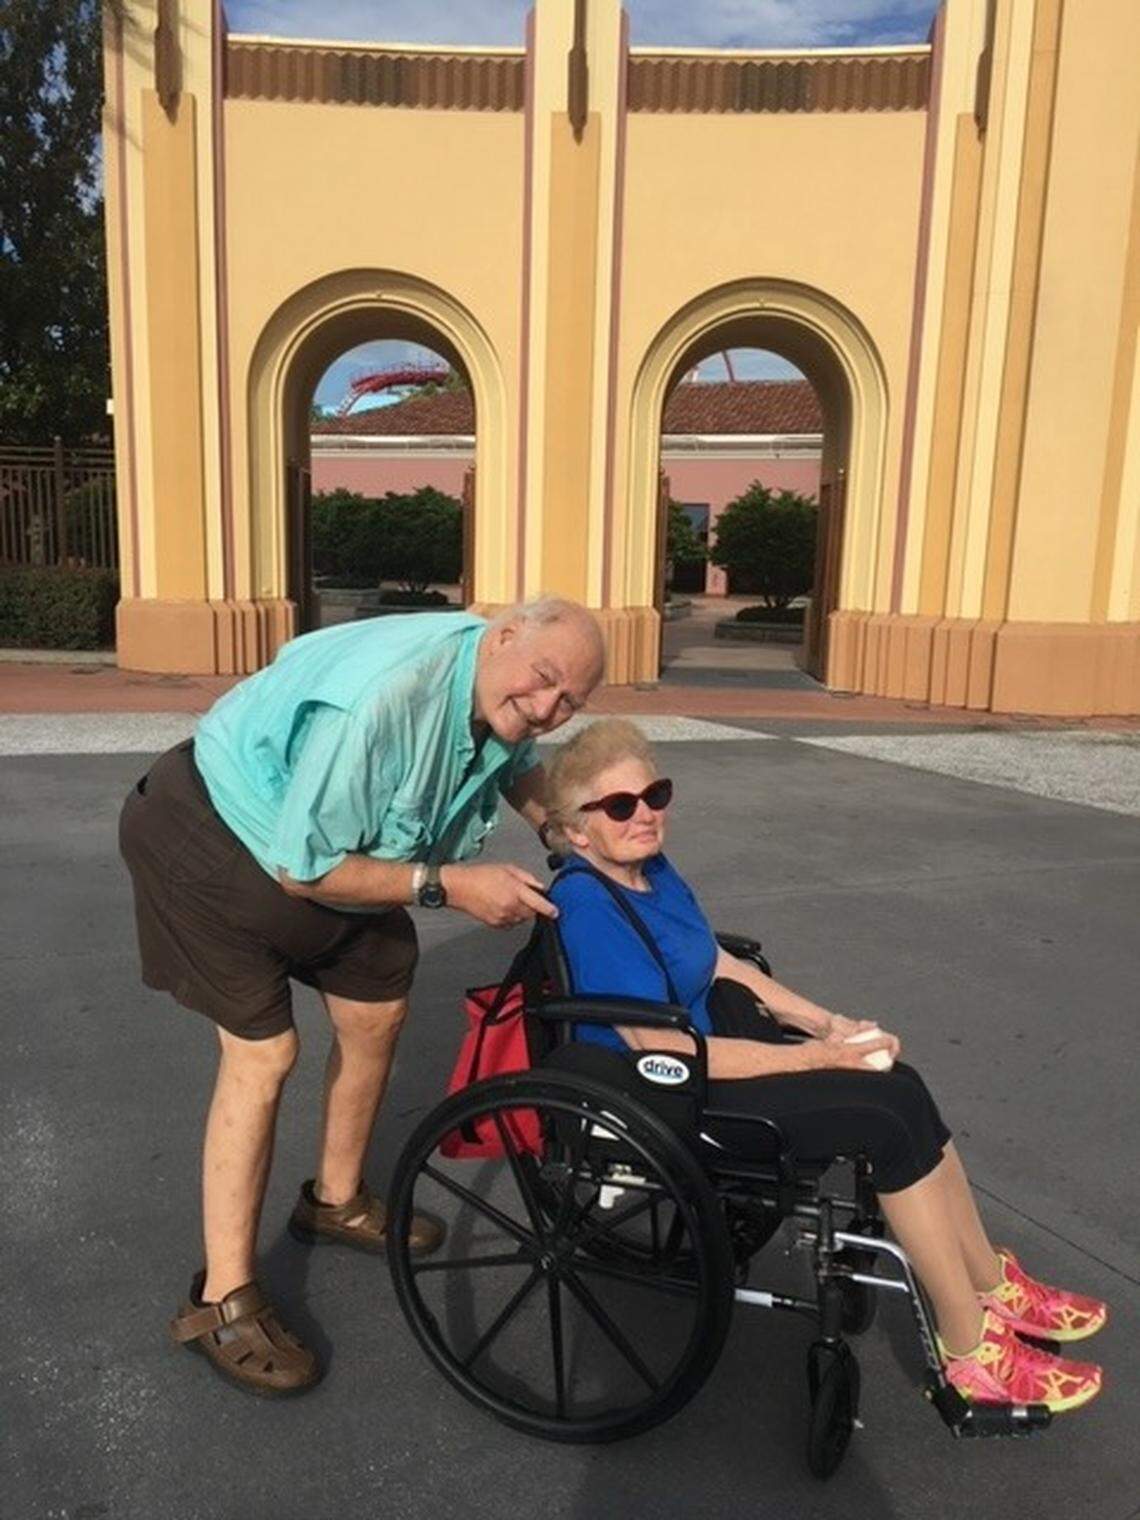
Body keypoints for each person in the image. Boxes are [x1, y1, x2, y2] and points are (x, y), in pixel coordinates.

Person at [544, 718, 1107, 1416]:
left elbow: (716, 962)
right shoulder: (587, 903)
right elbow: (661, 1050)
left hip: (712, 1054)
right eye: (620, 806)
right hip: (667, 1095)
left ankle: (988, 1282)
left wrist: (829, 1024)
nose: (646, 814)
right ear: (575, 831)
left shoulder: (652, 872)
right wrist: (820, 1058)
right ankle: (970, 1352)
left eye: (654, 794)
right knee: (886, 1116)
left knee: (901, 1082)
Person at [119, 597, 604, 1395]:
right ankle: (222, 1299)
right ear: (507, 635)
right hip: (208, 833)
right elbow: (303, 870)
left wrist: (561, 825)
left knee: (377, 1005)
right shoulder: (390, 700)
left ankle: (335, 1202)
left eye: (571, 703)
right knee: (266, 1053)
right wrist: (448, 884)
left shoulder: (493, 678)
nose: (548, 708)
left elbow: (513, 757)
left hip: (321, 844)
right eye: (546, 681)